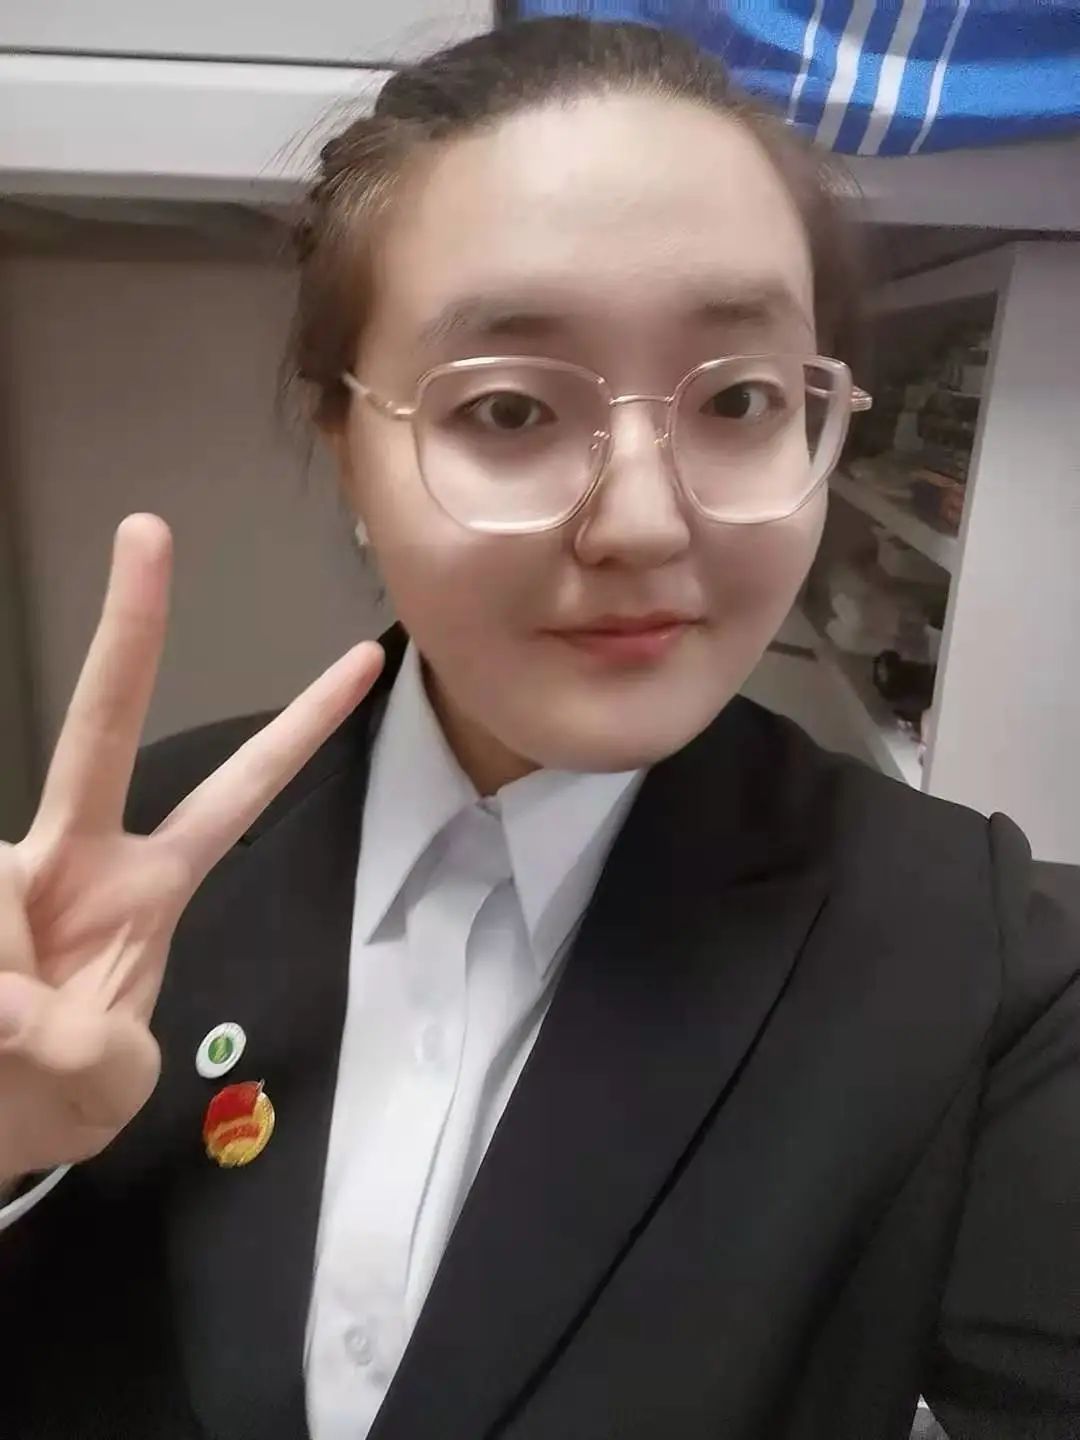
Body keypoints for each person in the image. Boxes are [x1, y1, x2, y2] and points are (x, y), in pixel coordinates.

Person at [0, 17, 1076, 1440]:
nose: (642, 523)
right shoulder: (136, 863)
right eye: (509, 409)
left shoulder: (976, 956)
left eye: (741, 398)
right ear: (347, 448)